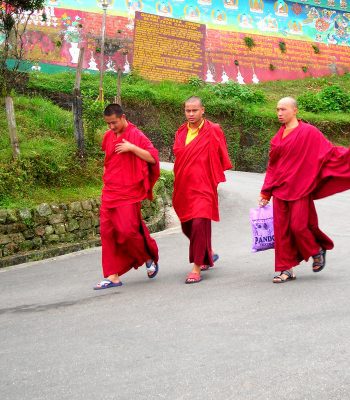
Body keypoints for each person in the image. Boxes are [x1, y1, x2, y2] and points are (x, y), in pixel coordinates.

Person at [259, 97, 350, 283]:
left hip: (301, 188)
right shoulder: (277, 138)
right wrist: (266, 192)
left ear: (295, 110)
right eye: (277, 109)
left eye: (283, 109)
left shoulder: (309, 132)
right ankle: (286, 270)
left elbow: (329, 152)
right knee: (282, 231)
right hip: (280, 190)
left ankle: (316, 250)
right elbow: (272, 167)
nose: (279, 113)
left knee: (298, 227)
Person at [94, 104, 160, 290]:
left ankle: (147, 257)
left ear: (123, 117)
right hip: (110, 191)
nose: (111, 127)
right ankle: (112, 276)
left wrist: (132, 148)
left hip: (128, 192)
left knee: (127, 231)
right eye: (108, 123)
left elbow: (152, 157)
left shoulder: (136, 135)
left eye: (114, 122)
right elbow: (108, 161)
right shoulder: (108, 136)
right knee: (107, 233)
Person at [172, 96, 233, 284]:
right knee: (187, 225)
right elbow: (179, 156)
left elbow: (221, 154)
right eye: (187, 111)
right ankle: (207, 252)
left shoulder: (213, 130)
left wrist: (213, 175)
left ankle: (197, 267)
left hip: (204, 186)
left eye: (194, 110)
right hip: (183, 185)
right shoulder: (181, 132)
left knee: (199, 223)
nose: (190, 114)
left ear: (202, 110)